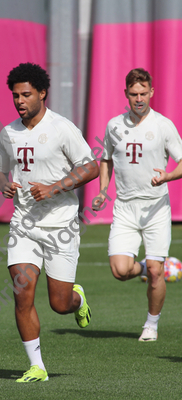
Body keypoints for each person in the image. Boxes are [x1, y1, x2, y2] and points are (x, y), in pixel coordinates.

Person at [0, 63, 99, 382]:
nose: (19, 101)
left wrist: (54, 187)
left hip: (60, 226)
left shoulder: (62, 128)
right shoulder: (8, 133)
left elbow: (90, 167)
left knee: (59, 304)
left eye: (26, 94)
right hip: (23, 225)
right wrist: (3, 185)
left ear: (42, 93)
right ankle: (36, 366)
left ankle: (76, 299)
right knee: (21, 294)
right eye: (15, 95)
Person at [93, 68, 182, 341]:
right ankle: (143, 266)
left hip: (156, 207)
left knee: (158, 273)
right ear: (126, 95)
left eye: (144, 93)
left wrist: (167, 176)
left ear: (152, 92)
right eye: (134, 94)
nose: (139, 99)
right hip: (125, 208)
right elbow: (105, 158)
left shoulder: (163, 125)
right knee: (120, 271)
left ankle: (151, 325)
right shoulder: (114, 126)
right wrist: (103, 190)